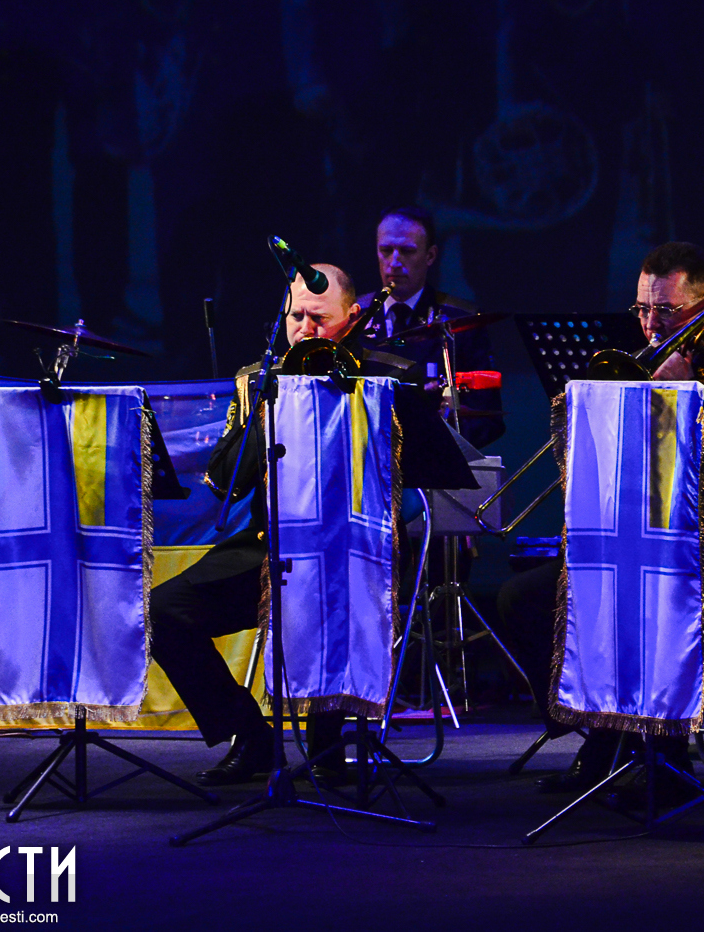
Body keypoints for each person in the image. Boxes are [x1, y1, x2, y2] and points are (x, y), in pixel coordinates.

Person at [497, 241, 704, 792]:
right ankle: (600, 732)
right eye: (643, 309)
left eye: (667, 310)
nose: (651, 325)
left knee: (642, 600)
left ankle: (660, 759)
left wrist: (683, 398)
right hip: (636, 548)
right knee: (523, 599)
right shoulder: (637, 363)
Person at [150, 263, 412, 786]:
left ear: (351, 317)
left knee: (332, 591)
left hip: (349, 550)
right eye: (297, 317)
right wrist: (273, 404)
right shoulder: (257, 381)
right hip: (269, 546)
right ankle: (250, 736)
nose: (305, 328)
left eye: (319, 318)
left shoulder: (382, 377)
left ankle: (329, 751)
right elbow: (225, 480)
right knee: (162, 613)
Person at [356, 205, 505, 449]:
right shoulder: (354, 317)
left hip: (435, 459)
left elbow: (488, 417)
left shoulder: (463, 321)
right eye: (385, 250)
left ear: (430, 256)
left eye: (407, 251)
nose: (394, 262)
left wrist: (440, 433)